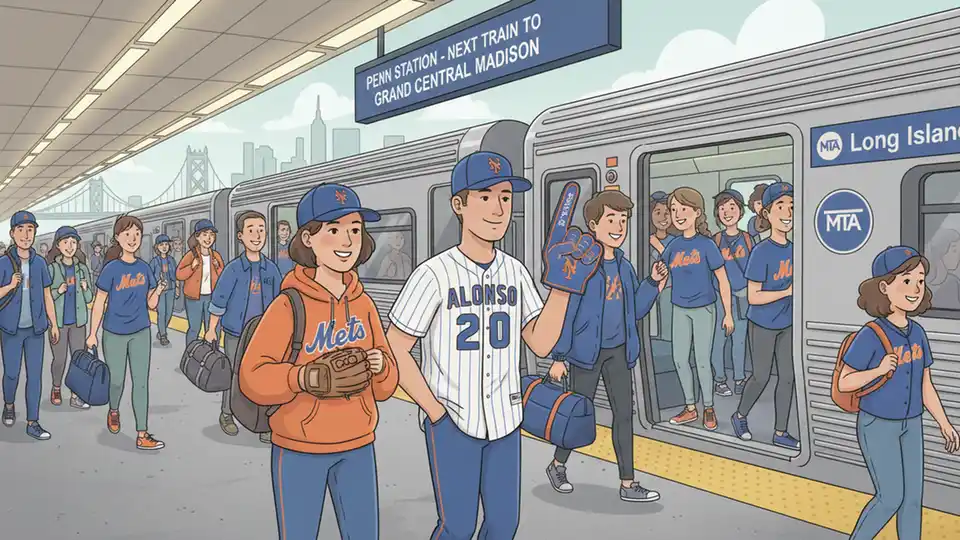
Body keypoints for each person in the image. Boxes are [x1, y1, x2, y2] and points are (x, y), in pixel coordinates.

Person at [387, 151, 597, 539]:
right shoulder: (433, 274)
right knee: (457, 527)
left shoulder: (514, 271)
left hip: (504, 421)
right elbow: (395, 346)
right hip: (453, 421)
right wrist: (435, 412)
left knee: (503, 525)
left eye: (505, 196)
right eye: (485, 196)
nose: (498, 207)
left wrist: (564, 289)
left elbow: (539, 342)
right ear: (459, 205)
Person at [238, 184, 399, 539]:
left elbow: (387, 387)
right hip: (299, 449)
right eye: (334, 230)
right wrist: (303, 378)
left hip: (358, 445)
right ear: (308, 239)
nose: (347, 241)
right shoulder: (289, 305)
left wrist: (381, 366)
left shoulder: (364, 303)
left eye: (355, 230)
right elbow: (252, 377)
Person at [545, 187, 668, 502]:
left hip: (618, 352)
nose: (618, 227)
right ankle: (558, 464)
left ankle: (628, 484)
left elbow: (635, 310)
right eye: (611, 219)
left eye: (623, 220)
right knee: (577, 414)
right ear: (593, 226)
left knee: (624, 415)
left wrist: (653, 284)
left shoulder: (625, 267)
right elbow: (567, 312)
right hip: (585, 354)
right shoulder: (581, 266)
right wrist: (559, 356)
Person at [840, 246, 960, 540]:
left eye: (920, 281)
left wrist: (944, 423)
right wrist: (878, 370)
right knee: (890, 497)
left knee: (911, 501)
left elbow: (925, 384)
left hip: (912, 424)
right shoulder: (871, 333)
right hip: (878, 424)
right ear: (884, 286)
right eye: (906, 280)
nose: (916, 289)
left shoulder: (918, 332)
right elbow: (845, 382)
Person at [87, 215, 166, 451]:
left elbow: (150, 304)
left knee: (141, 383)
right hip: (114, 333)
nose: (133, 239)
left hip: (140, 331)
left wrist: (159, 290)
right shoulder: (111, 269)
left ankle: (142, 433)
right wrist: (92, 334)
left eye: (137, 234)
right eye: (127, 234)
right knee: (117, 381)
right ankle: (114, 410)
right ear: (118, 238)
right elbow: (99, 302)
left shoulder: (144, 268)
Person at [731, 182, 799, 450]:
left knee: (788, 377)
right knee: (760, 376)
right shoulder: (761, 251)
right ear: (767, 214)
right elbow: (754, 296)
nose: (787, 213)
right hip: (762, 323)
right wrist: (787, 292)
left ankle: (780, 431)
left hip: (788, 322)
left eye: (792, 207)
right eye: (780, 207)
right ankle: (739, 416)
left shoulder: (797, 249)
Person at [661, 187, 734, 431]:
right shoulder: (673, 246)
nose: (678, 214)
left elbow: (723, 280)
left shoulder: (707, 245)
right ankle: (691, 408)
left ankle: (709, 407)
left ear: (697, 212)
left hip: (704, 309)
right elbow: (661, 276)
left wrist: (728, 313)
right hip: (679, 309)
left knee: (702, 360)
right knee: (680, 359)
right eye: (674, 210)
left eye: (683, 209)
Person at [206, 210, 281, 444]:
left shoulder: (272, 269)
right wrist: (211, 330)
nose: (257, 235)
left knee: (265, 378)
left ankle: (263, 422)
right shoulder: (233, 269)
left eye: (261, 230)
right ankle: (227, 413)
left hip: (264, 334)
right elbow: (218, 301)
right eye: (251, 230)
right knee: (233, 376)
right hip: (235, 333)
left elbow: (280, 303)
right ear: (240, 236)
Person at [0, 211, 59, 440]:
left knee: (34, 375)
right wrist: (9, 286)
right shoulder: (4, 264)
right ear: (12, 234)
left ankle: (33, 422)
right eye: (21, 230)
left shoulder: (40, 263)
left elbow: (47, 296)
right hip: (11, 329)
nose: (26, 235)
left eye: (30, 230)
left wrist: (53, 323)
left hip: (36, 329)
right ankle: (9, 404)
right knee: (12, 373)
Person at [711, 189, 753, 397]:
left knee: (740, 340)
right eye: (722, 208)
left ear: (740, 211)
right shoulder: (715, 240)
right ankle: (719, 379)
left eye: (731, 207)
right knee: (719, 340)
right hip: (719, 298)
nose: (727, 212)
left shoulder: (748, 239)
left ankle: (738, 378)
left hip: (743, 297)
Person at [46, 226, 94, 409]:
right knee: (59, 360)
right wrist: (58, 291)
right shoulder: (52, 269)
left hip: (78, 323)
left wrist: (85, 288)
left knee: (77, 359)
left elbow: (89, 298)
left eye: (73, 242)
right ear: (58, 245)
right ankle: (56, 387)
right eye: (66, 242)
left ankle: (75, 395)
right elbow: (46, 297)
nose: (70, 246)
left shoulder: (82, 269)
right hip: (58, 323)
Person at [176, 219, 224, 346]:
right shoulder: (191, 255)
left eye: (211, 234)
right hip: (193, 299)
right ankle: (190, 356)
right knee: (194, 329)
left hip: (212, 298)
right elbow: (179, 274)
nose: (208, 238)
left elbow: (223, 277)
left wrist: (217, 267)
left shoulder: (216, 256)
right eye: (204, 234)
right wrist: (192, 267)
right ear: (197, 237)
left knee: (213, 328)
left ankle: (213, 356)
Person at [149, 235, 178, 347]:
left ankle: (162, 331)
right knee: (161, 313)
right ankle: (163, 335)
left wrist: (177, 288)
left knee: (169, 312)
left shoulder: (171, 260)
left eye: (166, 244)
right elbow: (150, 277)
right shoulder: (154, 261)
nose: (164, 247)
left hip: (170, 289)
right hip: (159, 291)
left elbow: (175, 275)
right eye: (161, 245)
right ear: (157, 247)